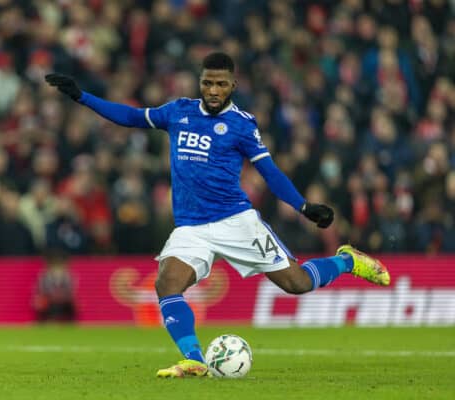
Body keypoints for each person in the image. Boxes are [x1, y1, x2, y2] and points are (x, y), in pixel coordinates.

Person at [45, 52, 391, 378]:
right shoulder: (177, 111)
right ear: (200, 82)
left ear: (233, 86)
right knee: (166, 283)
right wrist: (82, 97)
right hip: (191, 227)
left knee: (296, 283)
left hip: (235, 221)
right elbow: (132, 117)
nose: (213, 90)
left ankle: (347, 261)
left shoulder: (241, 125)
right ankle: (194, 359)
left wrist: (302, 205)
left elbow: (269, 171)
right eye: (208, 83)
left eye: (221, 84)